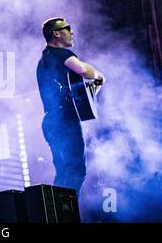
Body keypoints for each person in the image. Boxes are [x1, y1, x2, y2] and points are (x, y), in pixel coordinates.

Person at [36, 17, 105, 195]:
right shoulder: (61, 54)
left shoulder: (43, 61)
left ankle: (55, 216)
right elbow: (82, 70)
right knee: (75, 172)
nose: (71, 32)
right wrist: (99, 75)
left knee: (63, 174)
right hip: (65, 121)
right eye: (67, 28)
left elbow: (75, 91)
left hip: (51, 121)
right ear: (56, 34)